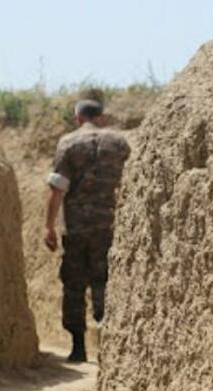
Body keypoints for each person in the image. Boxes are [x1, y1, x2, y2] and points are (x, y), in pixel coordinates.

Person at [44, 98, 131, 363]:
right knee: (106, 281)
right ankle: (110, 344)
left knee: (74, 285)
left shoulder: (68, 144)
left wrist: (49, 226)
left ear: (78, 118)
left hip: (77, 228)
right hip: (110, 226)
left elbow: (57, 189)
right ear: (101, 117)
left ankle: (78, 348)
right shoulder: (119, 144)